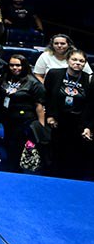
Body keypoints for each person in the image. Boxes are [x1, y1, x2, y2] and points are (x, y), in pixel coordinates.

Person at [44, 50, 94, 179]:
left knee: (74, 155)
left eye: (81, 61)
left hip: (77, 122)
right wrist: (49, 115)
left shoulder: (88, 79)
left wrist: (88, 126)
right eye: (74, 60)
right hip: (57, 120)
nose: (77, 63)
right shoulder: (54, 74)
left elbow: (90, 105)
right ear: (67, 60)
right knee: (54, 153)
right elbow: (47, 97)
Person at [0, 55, 46, 172]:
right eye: (12, 65)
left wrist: (41, 126)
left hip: (24, 120)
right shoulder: (7, 77)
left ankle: (16, 170)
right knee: (8, 143)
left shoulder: (33, 82)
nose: (15, 68)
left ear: (24, 66)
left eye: (18, 65)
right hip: (8, 117)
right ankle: (10, 166)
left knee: (18, 145)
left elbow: (39, 106)